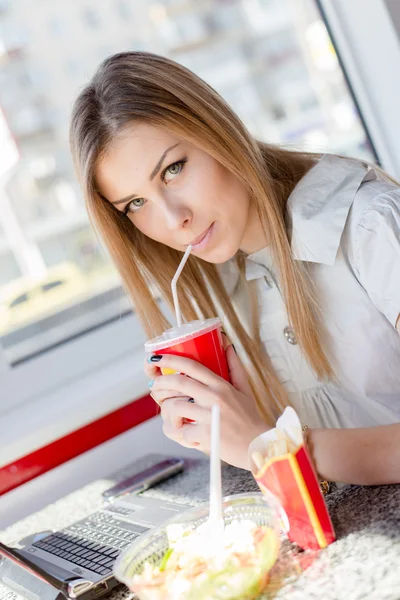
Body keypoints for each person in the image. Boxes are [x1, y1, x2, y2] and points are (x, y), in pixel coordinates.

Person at [70, 51, 400, 486]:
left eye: (173, 169)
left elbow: (286, 450)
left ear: (218, 133)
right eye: (136, 203)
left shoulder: (372, 225)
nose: (173, 220)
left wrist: (265, 445)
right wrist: (232, 417)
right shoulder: (221, 284)